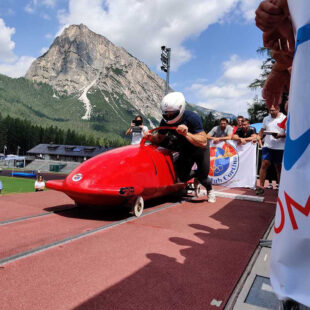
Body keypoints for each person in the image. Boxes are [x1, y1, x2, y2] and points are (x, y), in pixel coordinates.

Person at [145, 91, 216, 203]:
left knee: (204, 178)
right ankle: (197, 175)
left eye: (171, 113)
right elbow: (159, 139)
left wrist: (186, 134)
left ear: (180, 110)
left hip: (199, 150)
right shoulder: (165, 121)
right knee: (182, 177)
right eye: (166, 113)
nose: (168, 116)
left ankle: (210, 189)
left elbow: (203, 141)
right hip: (186, 149)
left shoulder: (192, 117)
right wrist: (149, 137)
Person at [256, 105, 286, 195]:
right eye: (270, 110)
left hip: (280, 147)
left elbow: (288, 133)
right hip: (268, 146)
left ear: (278, 109)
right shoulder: (266, 118)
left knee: (278, 168)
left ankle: (280, 188)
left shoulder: (285, 118)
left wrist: (280, 136)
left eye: (273, 110)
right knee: (264, 164)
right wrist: (258, 137)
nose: (271, 112)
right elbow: (262, 130)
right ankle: (261, 187)